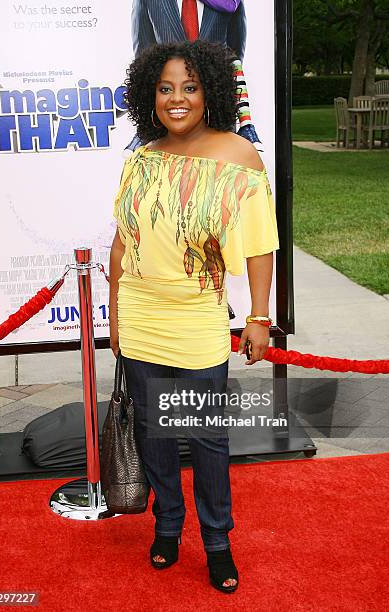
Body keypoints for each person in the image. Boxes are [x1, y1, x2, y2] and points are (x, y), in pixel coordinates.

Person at [109, 39, 279, 593]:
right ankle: (167, 526)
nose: (176, 99)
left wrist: (258, 315)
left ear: (210, 92)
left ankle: (217, 542)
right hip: (141, 313)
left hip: (198, 314)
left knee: (207, 438)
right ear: (148, 96)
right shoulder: (143, 156)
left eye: (189, 87)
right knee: (155, 432)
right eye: (165, 89)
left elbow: (258, 244)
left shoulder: (238, 154)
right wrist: (116, 314)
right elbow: (120, 243)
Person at [126, 0, 262, 152]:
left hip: (217, 126)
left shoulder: (230, 2)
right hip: (166, 135)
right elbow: (145, 58)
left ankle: (246, 128)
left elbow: (233, 53)